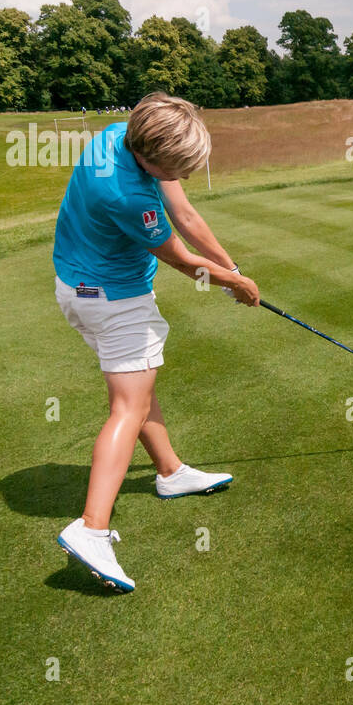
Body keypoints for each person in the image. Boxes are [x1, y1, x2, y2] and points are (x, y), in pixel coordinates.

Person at [51, 92, 259, 592]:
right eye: (178, 168)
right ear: (152, 155)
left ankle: (170, 472)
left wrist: (231, 268)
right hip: (113, 298)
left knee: (138, 387)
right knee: (127, 406)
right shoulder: (127, 195)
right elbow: (184, 262)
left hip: (77, 284)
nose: (184, 177)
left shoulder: (116, 136)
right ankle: (92, 529)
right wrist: (238, 286)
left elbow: (186, 216)